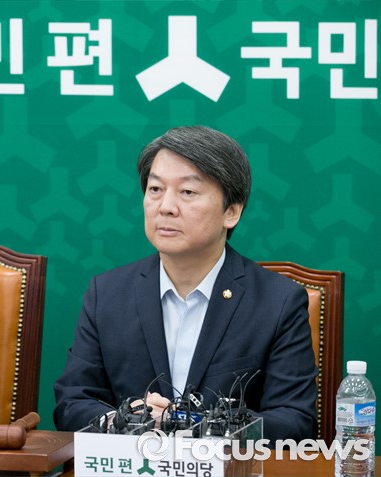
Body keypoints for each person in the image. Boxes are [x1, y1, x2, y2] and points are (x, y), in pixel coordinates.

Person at [53, 125, 317, 441]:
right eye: (155, 189)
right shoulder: (106, 294)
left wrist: (190, 423)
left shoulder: (278, 302)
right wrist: (127, 421)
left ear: (231, 212)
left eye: (187, 192)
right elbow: (72, 402)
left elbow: (294, 422)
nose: (165, 206)